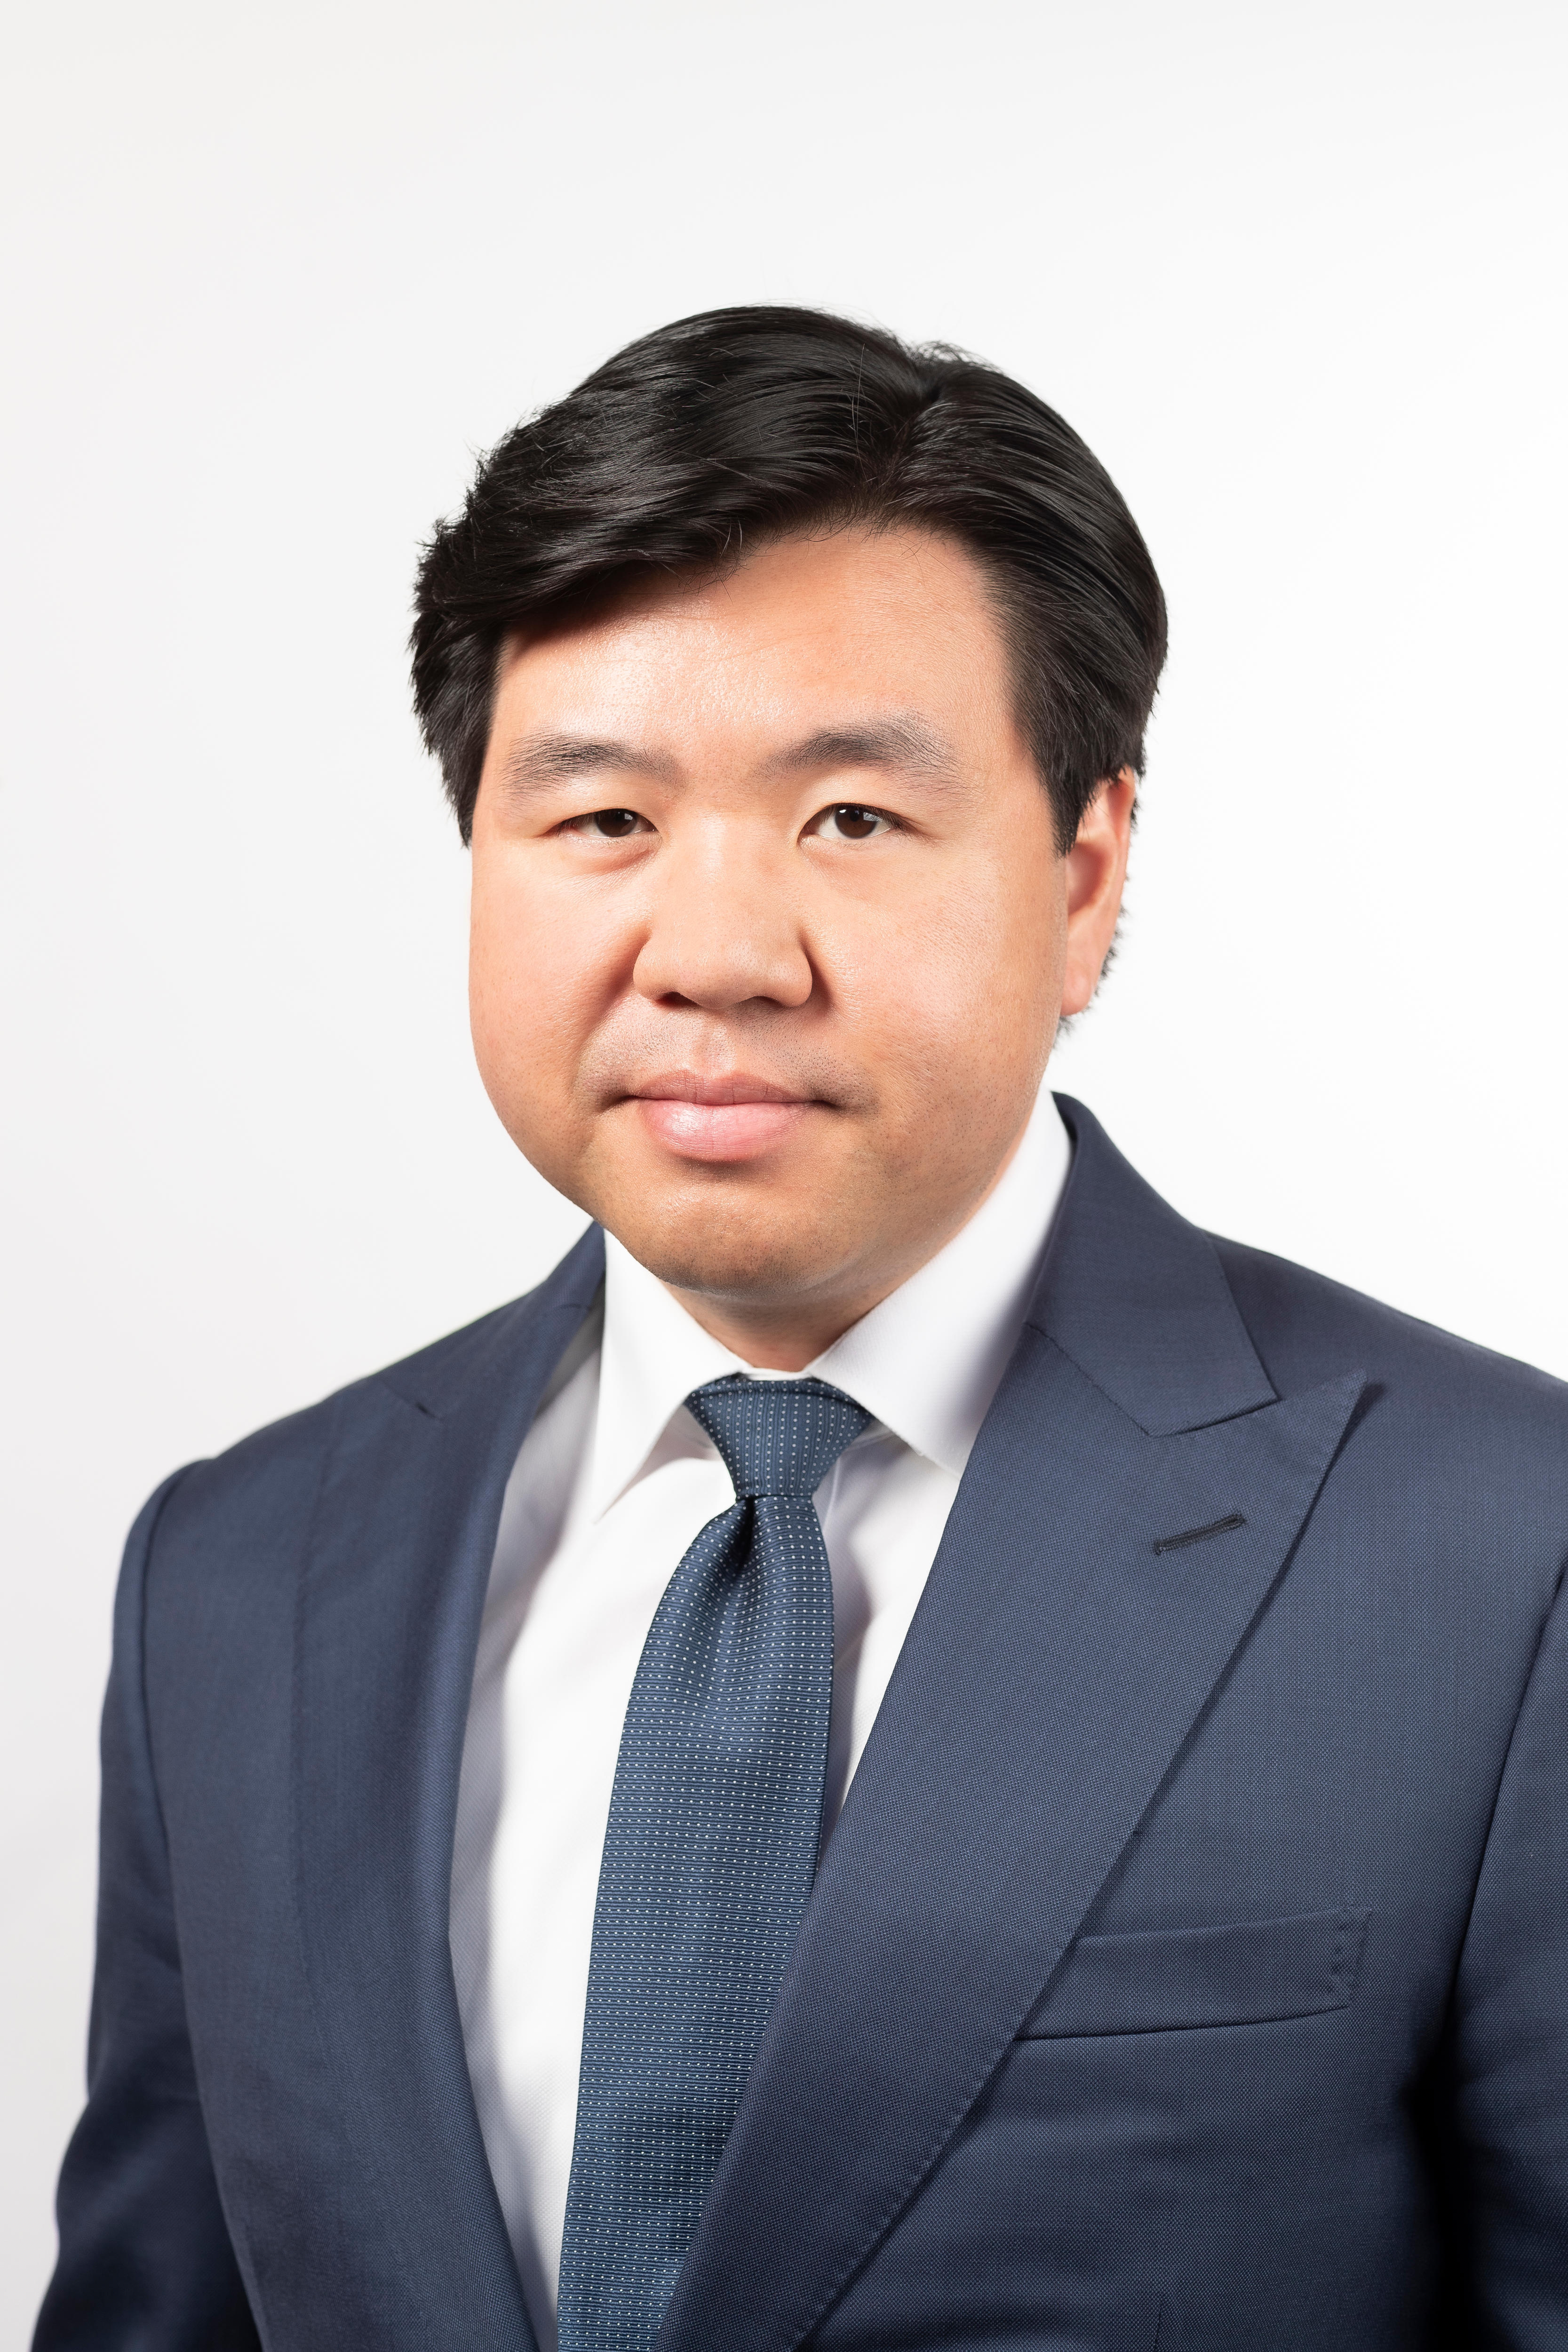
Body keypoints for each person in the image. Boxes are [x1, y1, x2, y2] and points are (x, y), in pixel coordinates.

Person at [35, 305, 1568, 2352]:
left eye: (851, 817)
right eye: (601, 821)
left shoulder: (1496, 1552)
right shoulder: (238, 1575)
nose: (721, 953)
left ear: (1087, 869)